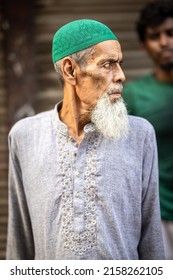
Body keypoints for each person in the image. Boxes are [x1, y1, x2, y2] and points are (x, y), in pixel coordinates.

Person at [6, 19, 165, 260]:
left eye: (120, 64)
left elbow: (151, 237)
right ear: (70, 70)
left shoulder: (140, 135)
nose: (121, 76)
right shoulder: (24, 136)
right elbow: (20, 238)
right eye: (107, 65)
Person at [123, 0, 173, 259]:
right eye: (155, 36)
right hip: (159, 214)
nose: (164, 42)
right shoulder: (134, 95)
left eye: (170, 33)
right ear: (144, 45)